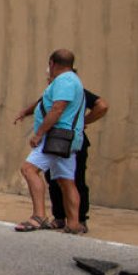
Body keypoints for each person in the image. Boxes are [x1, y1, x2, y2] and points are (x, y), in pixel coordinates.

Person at [15, 79, 107, 233]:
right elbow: (42, 103)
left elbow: (101, 105)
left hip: (59, 138)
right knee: (62, 179)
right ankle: (69, 221)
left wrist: (84, 121)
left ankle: (44, 217)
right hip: (64, 139)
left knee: (31, 170)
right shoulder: (57, 89)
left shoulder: (71, 89)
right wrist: (25, 112)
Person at [15, 49, 85, 234]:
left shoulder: (65, 81)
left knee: (29, 169)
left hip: (55, 137)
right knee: (66, 180)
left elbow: (57, 108)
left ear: (52, 63)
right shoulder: (73, 80)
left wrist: (39, 134)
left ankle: (39, 216)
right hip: (67, 138)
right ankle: (73, 223)